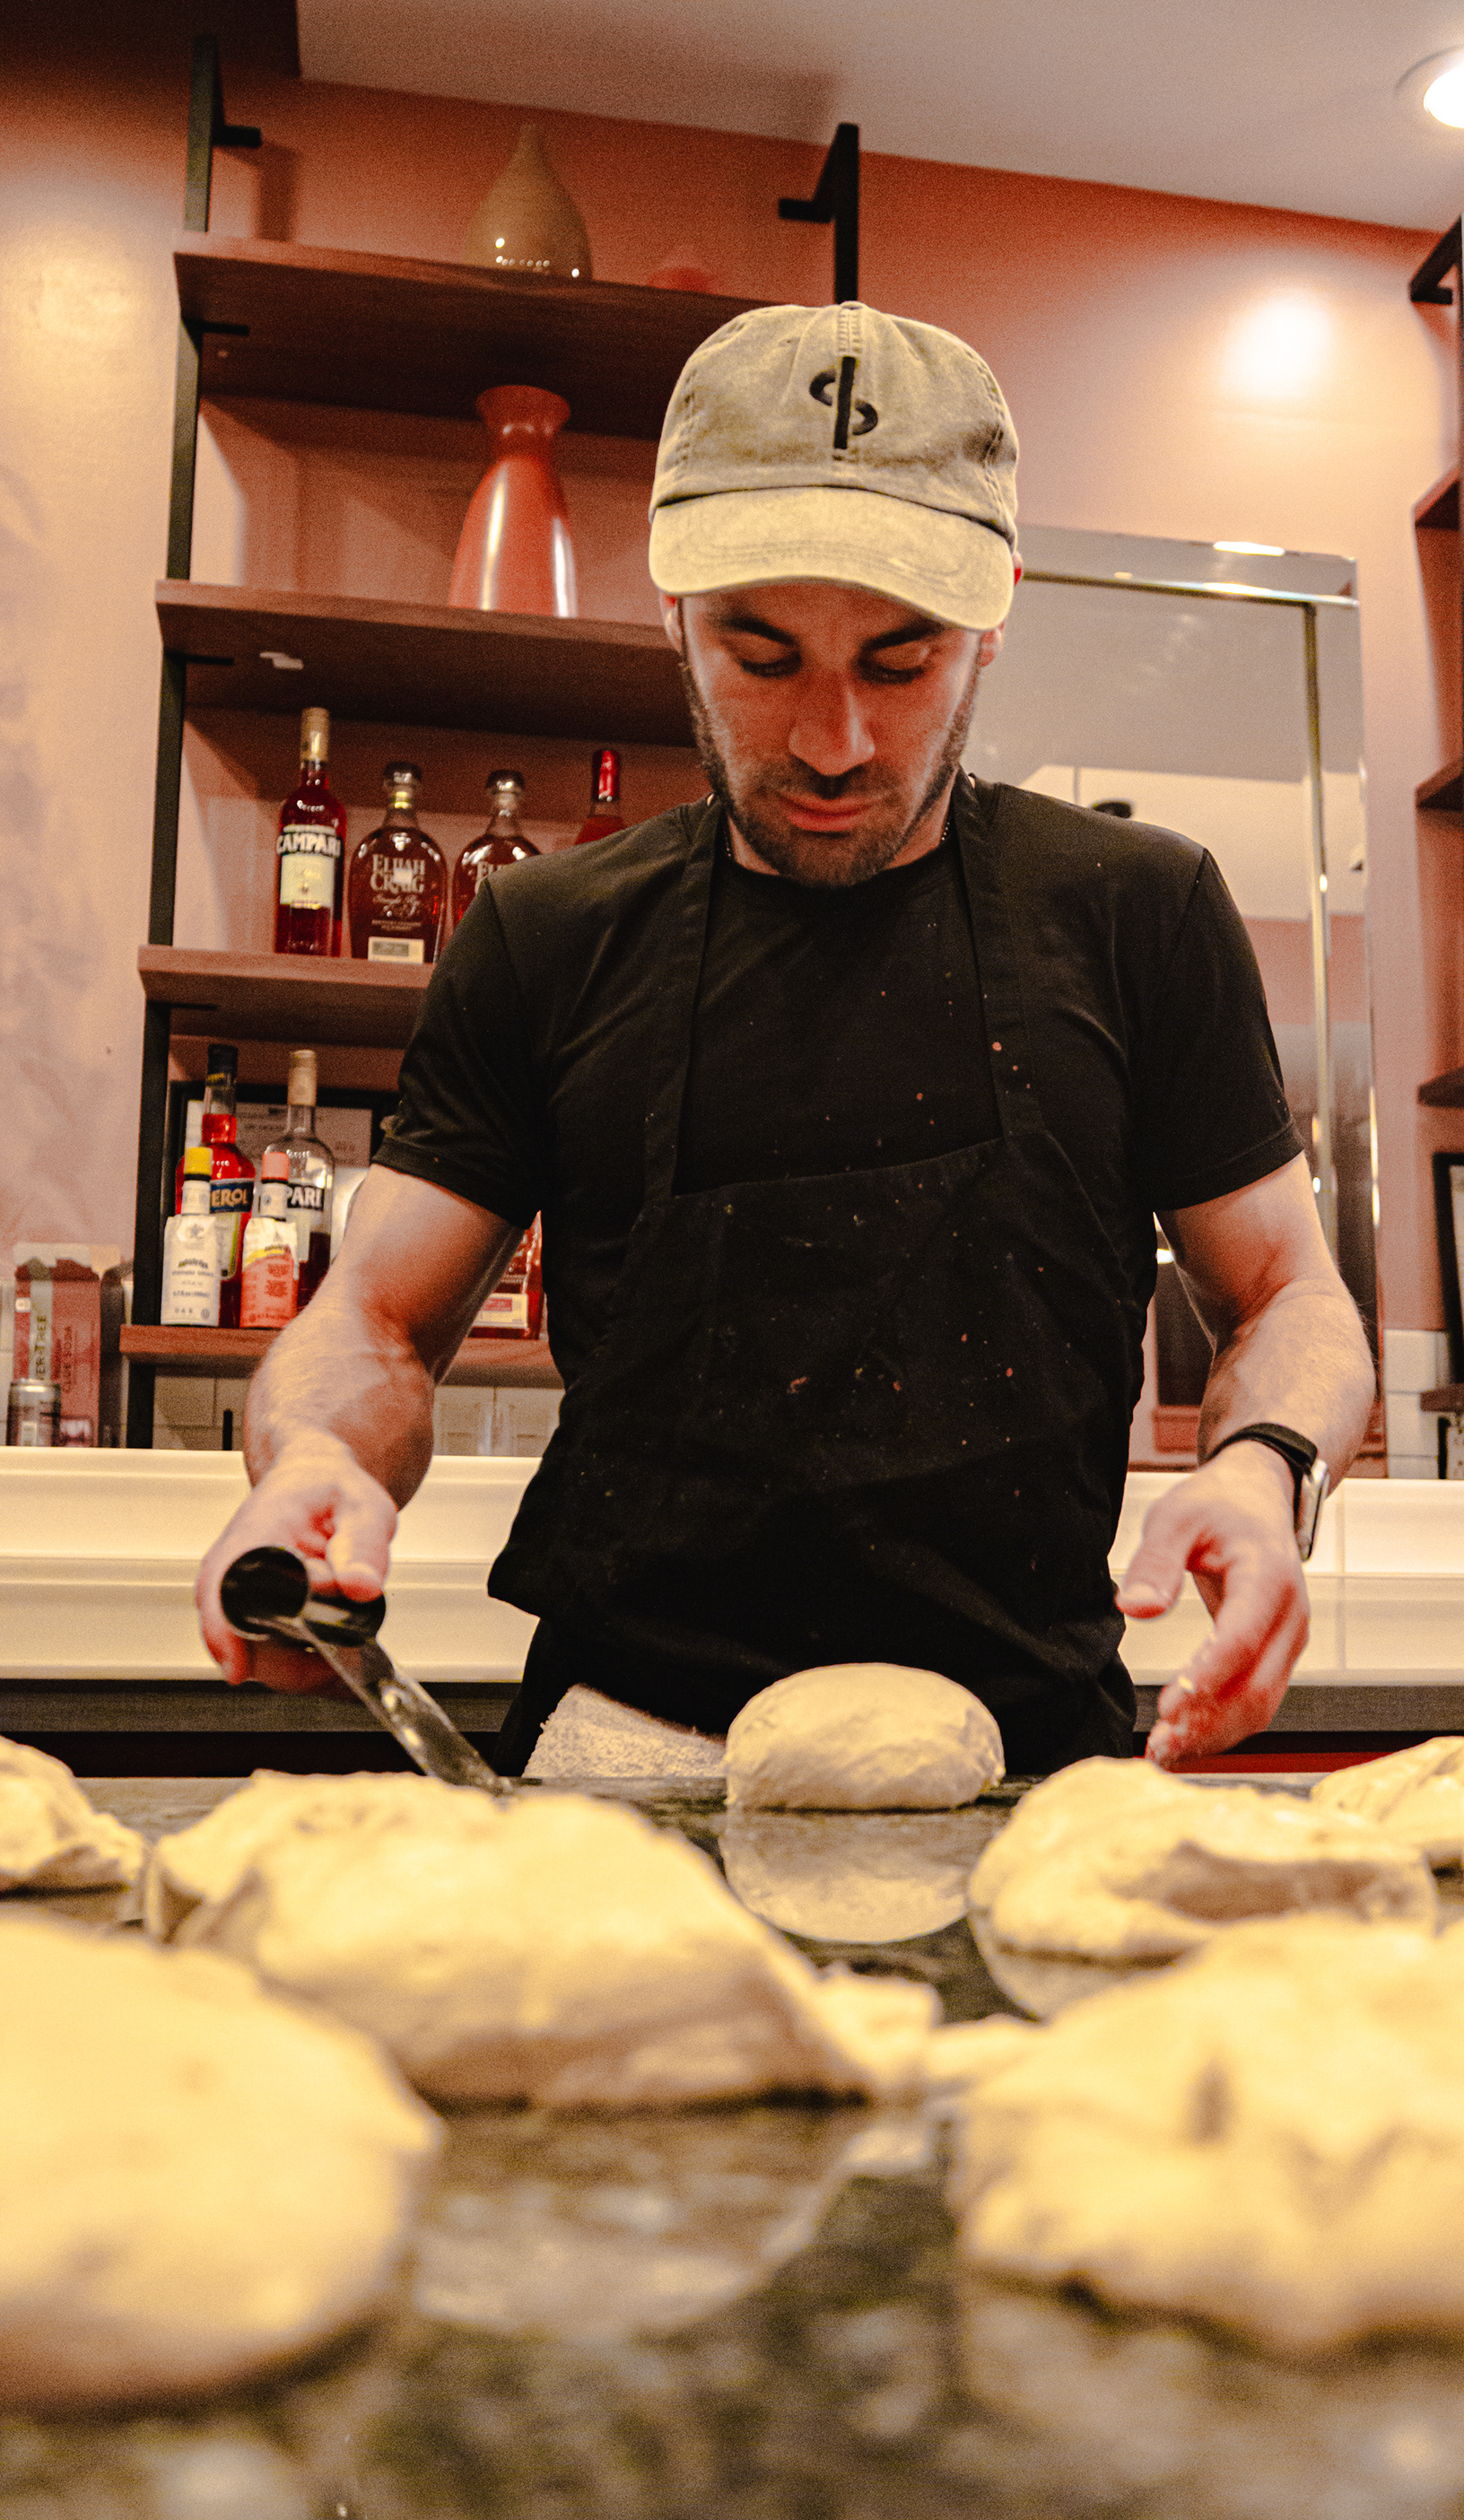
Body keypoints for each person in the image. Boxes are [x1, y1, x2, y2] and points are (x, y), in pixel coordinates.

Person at [196, 301, 1375, 1775]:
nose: (833, 741)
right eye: (762, 659)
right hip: (625, 1764)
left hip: (1033, 1765)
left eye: (900, 664)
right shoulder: (548, 936)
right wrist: (313, 1458)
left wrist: (1266, 1471)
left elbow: (1287, 1293)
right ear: (673, 611)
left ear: (995, 617)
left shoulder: (1140, 912)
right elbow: (375, 1319)